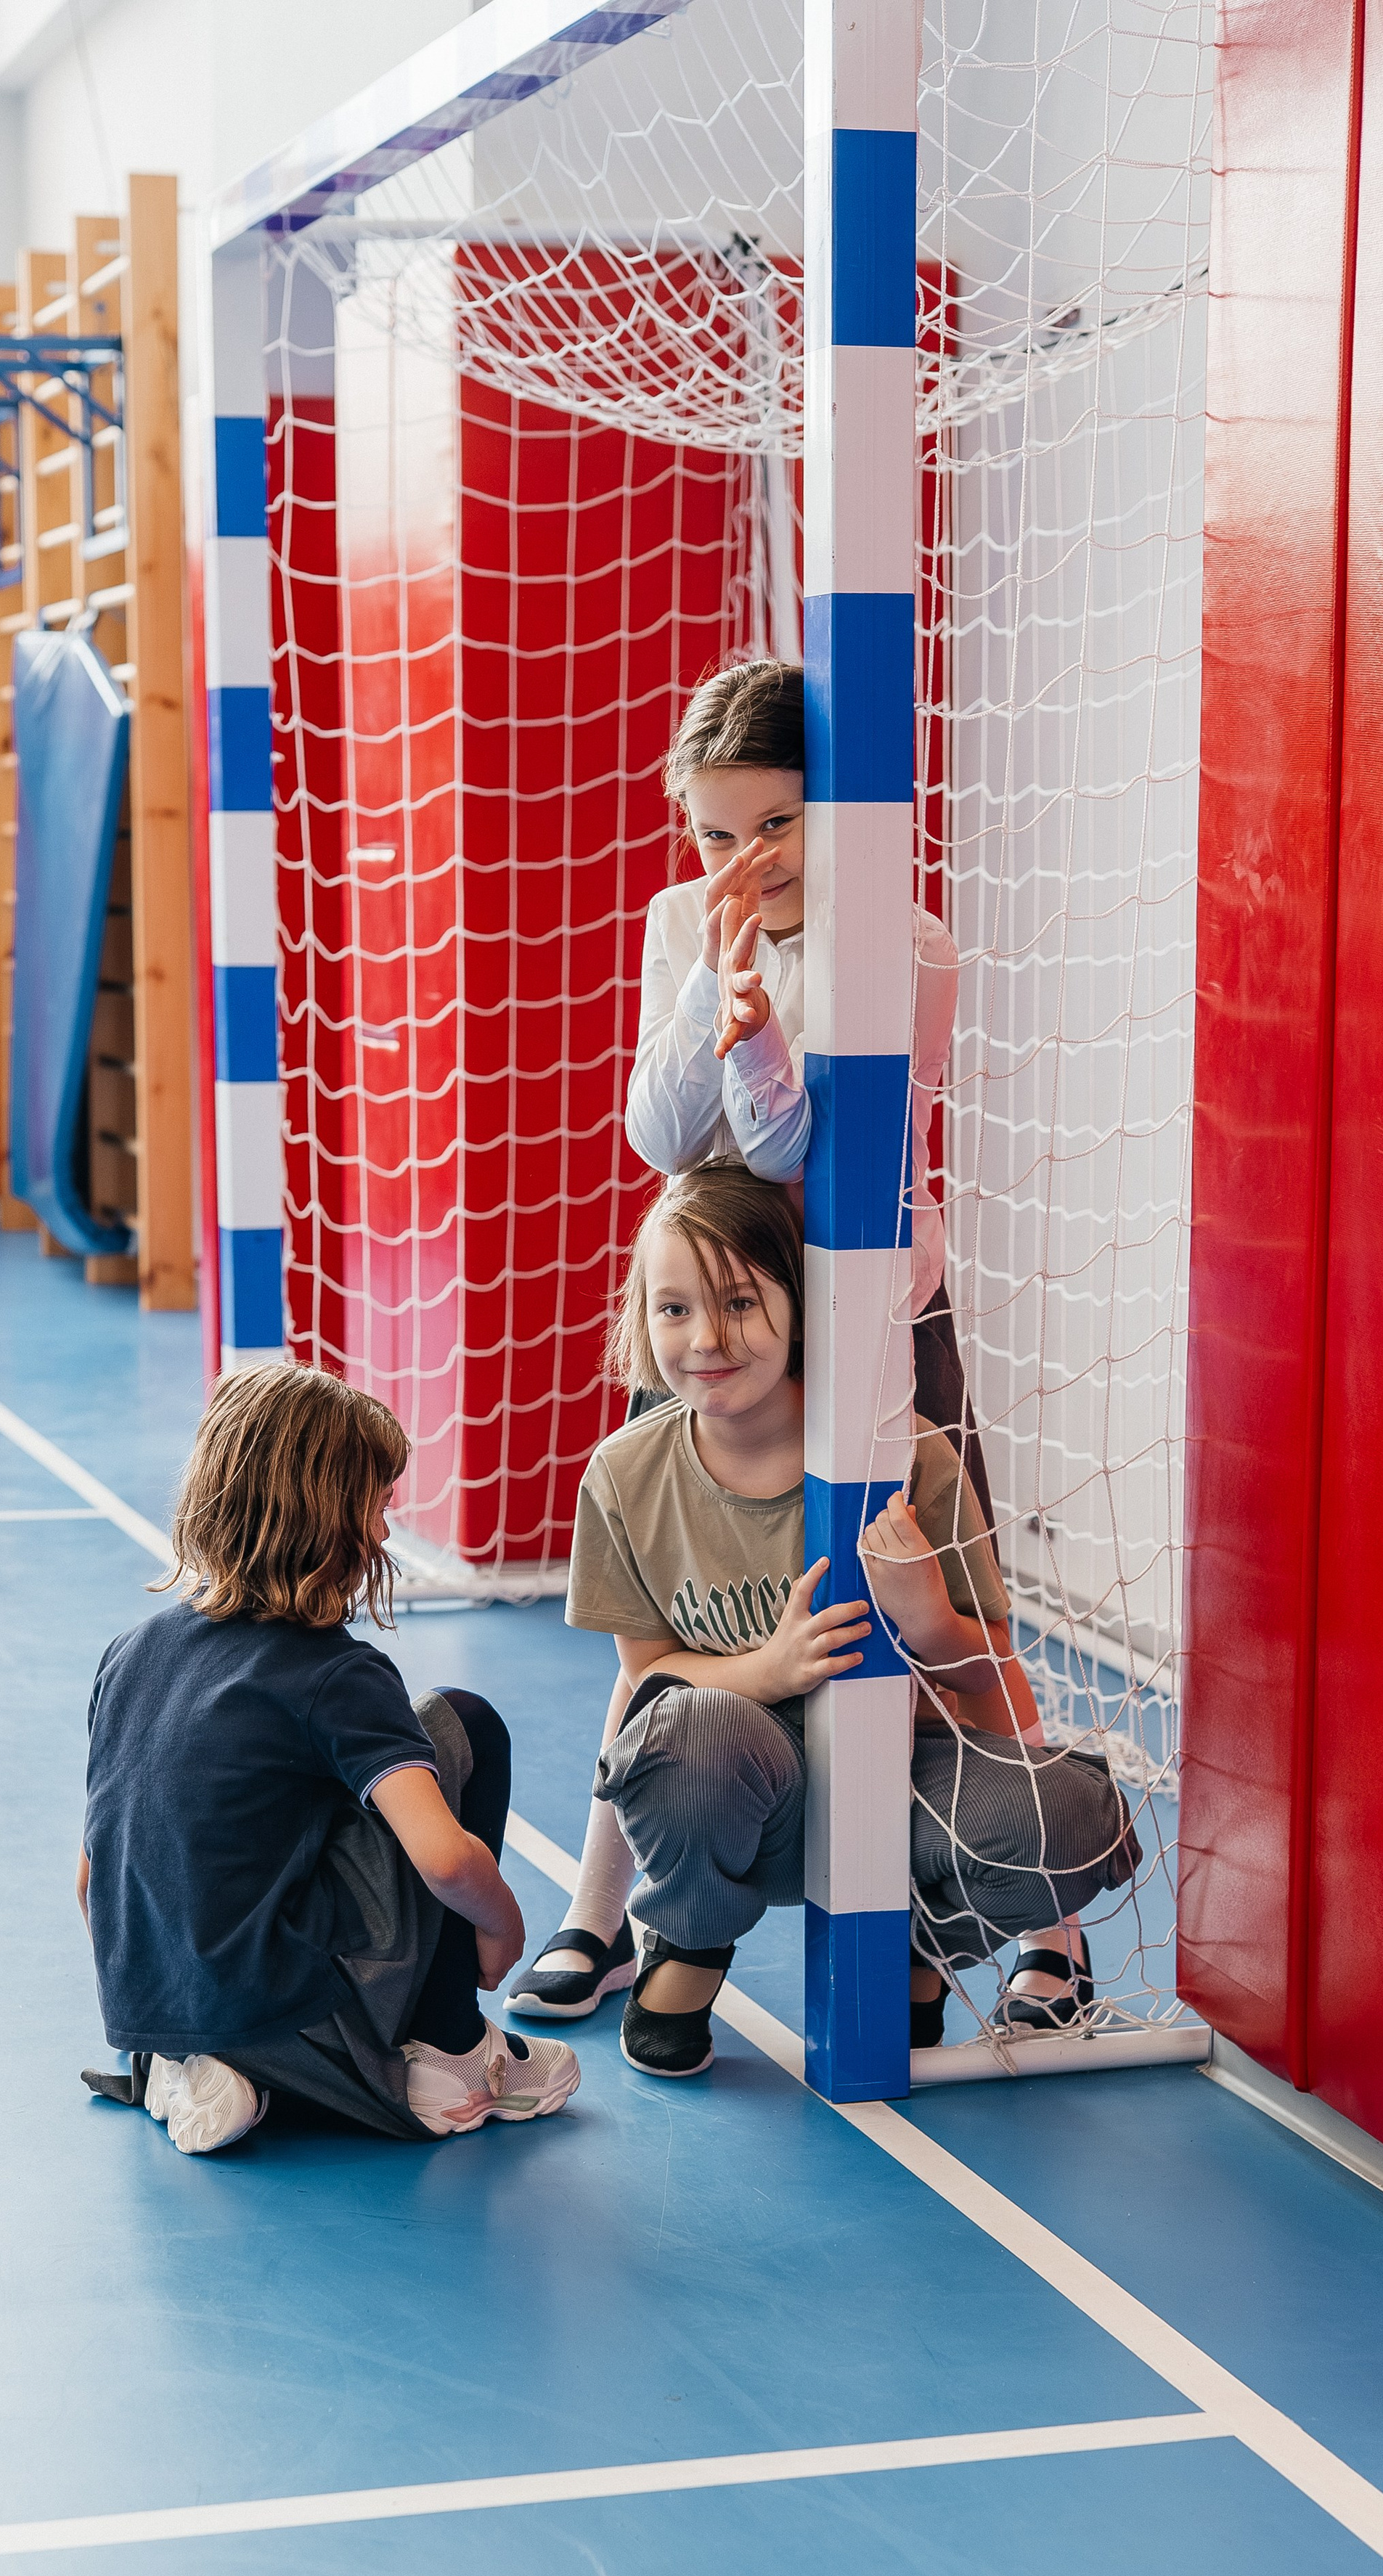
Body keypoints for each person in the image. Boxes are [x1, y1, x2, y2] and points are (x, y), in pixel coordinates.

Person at [505, 656, 1000, 2021]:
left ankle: (1011, 1933)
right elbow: (667, 1137)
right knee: (667, 1620)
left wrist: (756, 1029)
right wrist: (712, 1001)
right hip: (721, 1304)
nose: (741, 861)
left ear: (837, 810)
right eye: (715, 831)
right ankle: (603, 1909)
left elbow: (797, 1147)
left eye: (775, 826)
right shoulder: (687, 919)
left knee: (935, 1602)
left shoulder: (907, 943)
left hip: (870, 1313)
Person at [530, 1162, 1138, 2079]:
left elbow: (989, 1668)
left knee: (1075, 1815)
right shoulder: (625, 1477)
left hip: (904, 1787)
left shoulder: (910, 1460)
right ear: (642, 1318)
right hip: (744, 1797)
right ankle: (688, 1944)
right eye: (673, 1309)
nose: (706, 1338)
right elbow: (649, 1674)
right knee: (682, 1734)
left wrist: (928, 1616)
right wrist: (766, 1673)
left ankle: (918, 1939)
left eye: (739, 1301)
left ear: (799, 1303)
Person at [76, 1364, 579, 2153]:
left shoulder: (127, 1652)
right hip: (287, 2006)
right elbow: (445, 1861)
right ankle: (454, 2053)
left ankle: (189, 2059)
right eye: (376, 1508)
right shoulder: (334, 1673)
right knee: (464, 1723)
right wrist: (504, 1922)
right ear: (325, 1518)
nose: (384, 1533)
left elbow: (89, 1879)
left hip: (146, 2005)